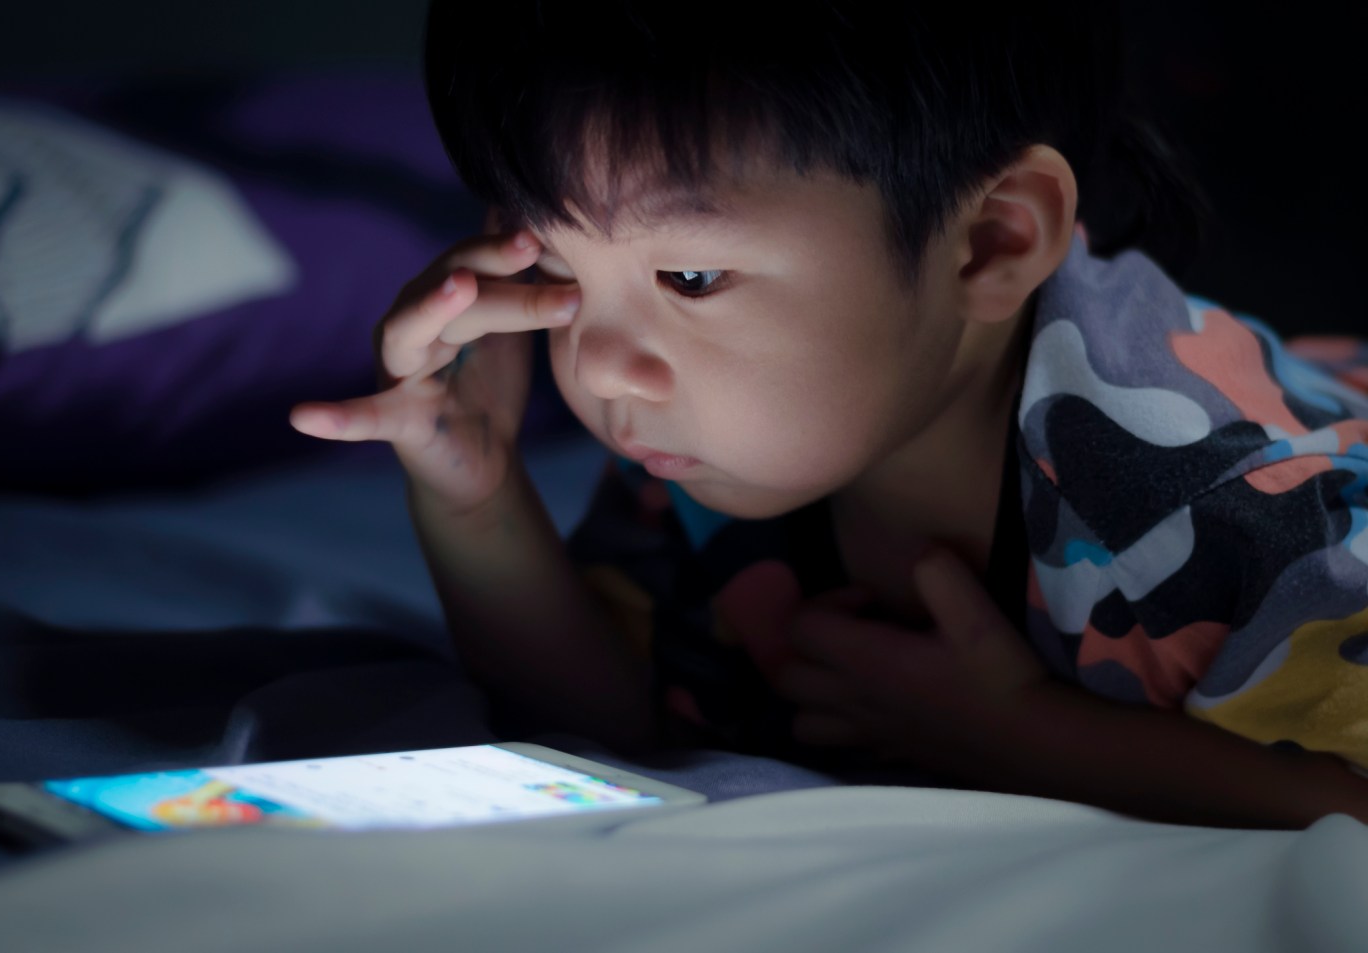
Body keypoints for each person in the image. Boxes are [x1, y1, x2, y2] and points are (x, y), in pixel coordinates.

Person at [290, 1, 1368, 828]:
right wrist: (476, 496)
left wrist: (1028, 739)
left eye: (695, 275)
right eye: (560, 270)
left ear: (990, 241)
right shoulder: (721, 441)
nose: (602, 366)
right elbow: (621, 719)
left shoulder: (1221, 498)